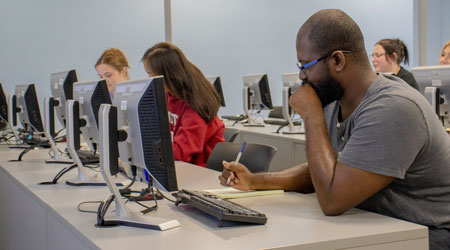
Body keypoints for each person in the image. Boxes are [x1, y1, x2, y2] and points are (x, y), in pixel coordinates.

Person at [219, 9, 450, 250]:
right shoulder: (335, 102)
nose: (301, 76)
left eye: (305, 66)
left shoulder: (393, 107)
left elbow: (332, 199)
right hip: (385, 225)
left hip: (430, 232)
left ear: (338, 60)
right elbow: (327, 171)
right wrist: (255, 181)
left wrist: (311, 115)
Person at [141, 42, 225, 167]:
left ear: (166, 74)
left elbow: (180, 154)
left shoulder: (195, 106)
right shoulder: (168, 96)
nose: (148, 78)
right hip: (181, 169)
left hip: (201, 173)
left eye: (150, 73)